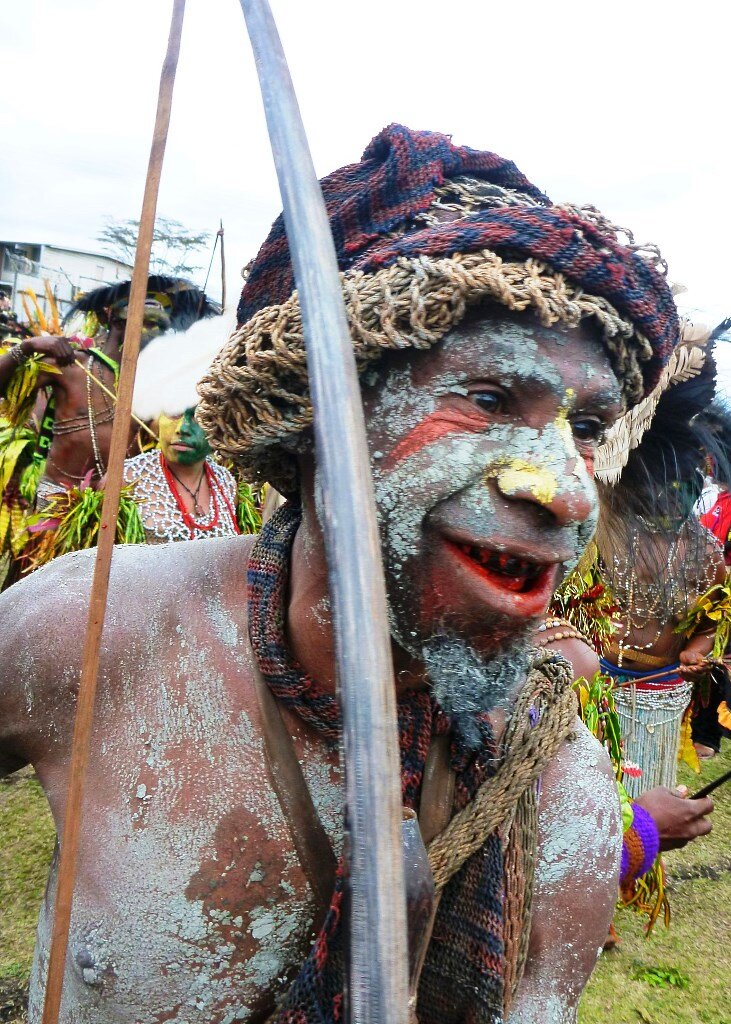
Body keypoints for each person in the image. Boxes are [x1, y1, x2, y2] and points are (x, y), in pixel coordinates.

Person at [0, 126, 685, 1024]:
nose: (563, 491)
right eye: (484, 400)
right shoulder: (87, 631)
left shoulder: (560, 805)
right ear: (318, 416)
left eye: (585, 430)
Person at [0, 275, 218, 511]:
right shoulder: (74, 366)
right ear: (114, 319)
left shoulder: (156, 384)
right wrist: (28, 346)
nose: (153, 334)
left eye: (159, 326)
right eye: (145, 323)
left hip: (119, 509)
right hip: (56, 503)